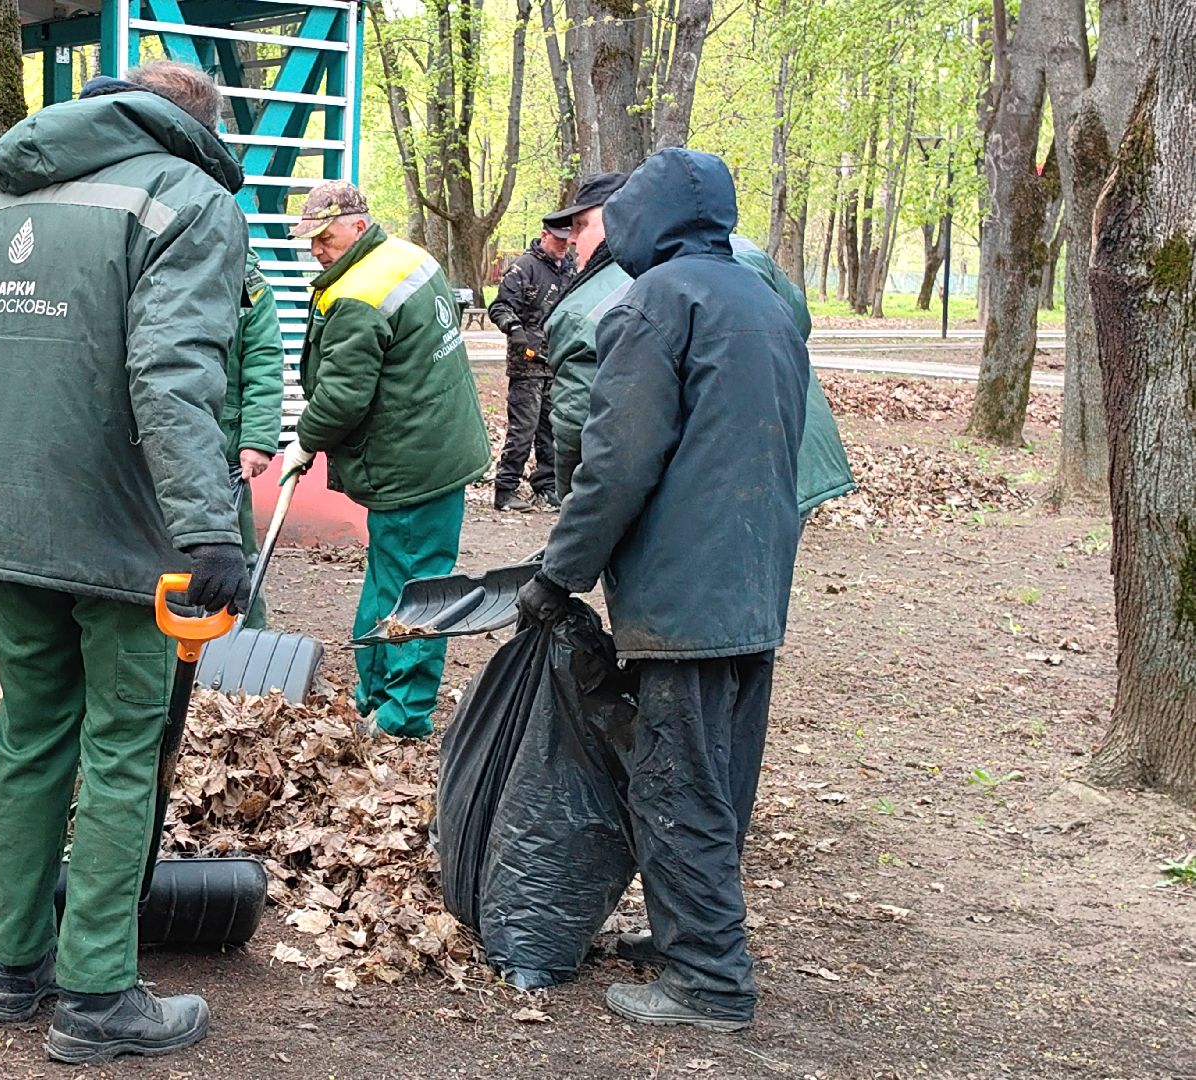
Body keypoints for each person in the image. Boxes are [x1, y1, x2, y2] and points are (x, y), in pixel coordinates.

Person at [0, 60, 250, 1065]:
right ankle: (99, 994)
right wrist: (209, 528)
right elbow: (172, 364)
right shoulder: (187, 200)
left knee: (30, 738)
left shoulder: (8, 200)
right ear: (192, 124)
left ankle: (16, 970)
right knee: (120, 750)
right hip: (125, 531)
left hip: (10, 517)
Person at [518, 148, 810, 1032]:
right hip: (753, 581)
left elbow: (615, 464)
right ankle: (690, 934)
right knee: (719, 776)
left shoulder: (653, 303)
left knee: (677, 780)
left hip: (684, 591)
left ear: (647, 221)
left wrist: (558, 573)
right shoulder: (765, 300)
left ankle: (710, 982)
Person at [280, 180, 491, 739]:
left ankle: (404, 714)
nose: (317, 251)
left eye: (324, 238)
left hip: (412, 463)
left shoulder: (358, 295)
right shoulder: (406, 256)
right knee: (389, 573)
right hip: (431, 443)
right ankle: (372, 689)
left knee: (419, 584)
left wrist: (304, 441)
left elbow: (343, 395)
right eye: (311, 241)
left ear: (355, 223)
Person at [543, 173, 854, 511]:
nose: (571, 240)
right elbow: (797, 322)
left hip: (716, 485)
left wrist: (574, 515)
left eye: (581, 224)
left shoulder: (585, 306)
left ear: (621, 216)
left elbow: (577, 429)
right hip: (791, 452)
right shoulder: (742, 250)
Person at [485, 216, 575, 511]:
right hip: (527, 362)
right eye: (558, 240)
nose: (564, 246)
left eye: (567, 240)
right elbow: (499, 306)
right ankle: (506, 488)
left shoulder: (570, 269)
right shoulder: (524, 267)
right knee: (523, 427)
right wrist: (514, 329)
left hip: (556, 360)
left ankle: (546, 485)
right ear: (544, 236)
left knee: (552, 427)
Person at [224, 250, 285, 629]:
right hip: (149, 441)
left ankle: (248, 640)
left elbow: (263, 359)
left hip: (222, 445)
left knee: (236, 553)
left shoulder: (247, 281)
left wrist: (258, 440)